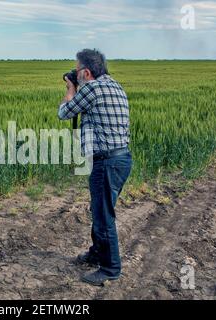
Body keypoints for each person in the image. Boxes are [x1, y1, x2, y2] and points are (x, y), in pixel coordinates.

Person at [58, 49, 132, 286]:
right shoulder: (114, 85)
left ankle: (110, 268)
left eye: (77, 69)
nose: (75, 73)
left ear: (86, 72)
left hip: (106, 162)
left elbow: (64, 112)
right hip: (121, 160)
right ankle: (97, 252)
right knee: (101, 209)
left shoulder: (91, 88)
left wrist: (71, 89)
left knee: (103, 216)